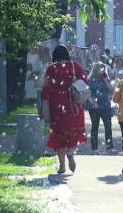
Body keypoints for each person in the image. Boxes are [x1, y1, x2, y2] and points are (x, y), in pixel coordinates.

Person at [41, 44, 88, 174]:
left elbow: (45, 89)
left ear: (54, 55)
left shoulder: (51, 69)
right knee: (73, 132)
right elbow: (84, 83)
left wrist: (44, 108)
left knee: (58, 135)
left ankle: (62, 166)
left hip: (57, 106)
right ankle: (71, 153)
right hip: (73, 105)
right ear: (67, 54)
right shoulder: (75, 66)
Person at [87, 63, 115, 153]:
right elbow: (88, 93)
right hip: (94, 107)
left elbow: (111, 90)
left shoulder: (105, 79)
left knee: (108, 127)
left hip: (106, 106)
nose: (102, 71)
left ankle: (109, 147)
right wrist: (92, 102)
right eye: (100, 69)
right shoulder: (90, 80)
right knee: (95, 127)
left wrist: (106, 81)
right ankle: (94, 148)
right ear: (95, 70)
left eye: (103, 69)